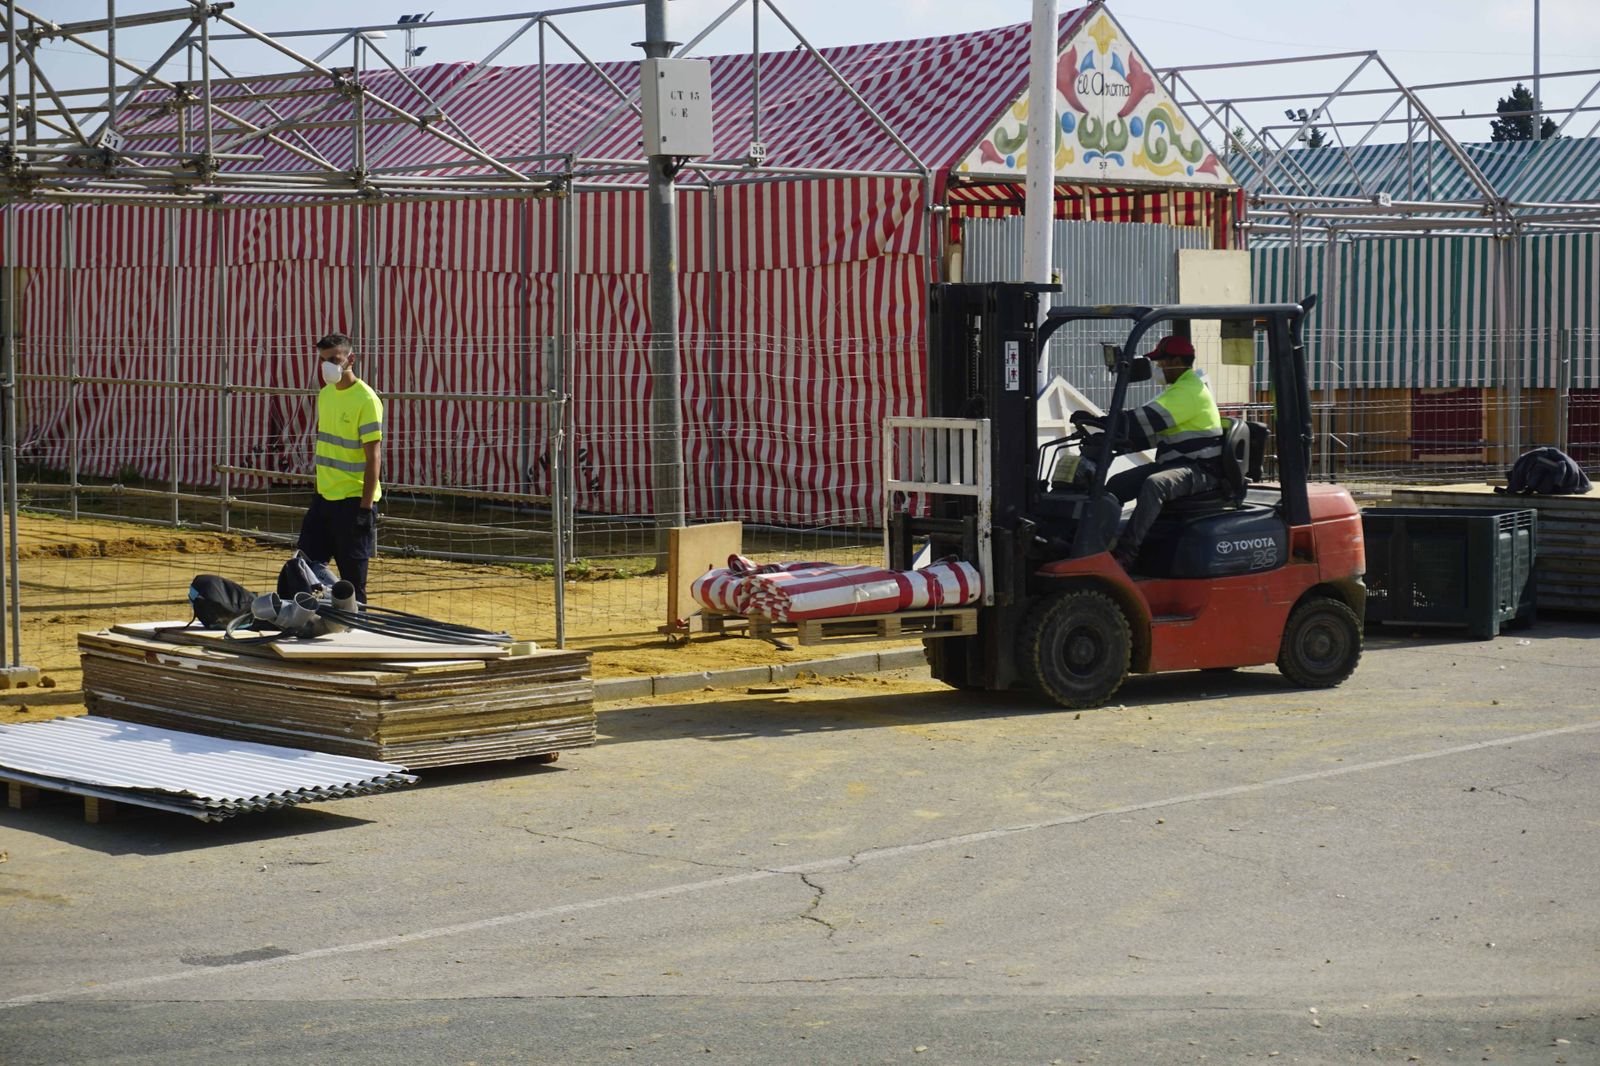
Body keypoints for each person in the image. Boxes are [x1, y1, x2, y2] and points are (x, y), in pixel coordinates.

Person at [1071, 335, 1223, 569]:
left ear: (1178, 361)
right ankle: (1098, 543)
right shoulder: (1179, 390)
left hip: (1200, 470)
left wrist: (1104, 422)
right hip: (1176, 464)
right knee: (1118, 483)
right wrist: (1111, 440)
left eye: (1162, 361)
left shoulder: (1189, 391)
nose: (1159, 367)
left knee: (1155, 484)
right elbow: (1150, 434)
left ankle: (1126, 553)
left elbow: (1144, 421)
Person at [298, 333, 383, 603]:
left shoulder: (366, 400)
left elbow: (374, 458)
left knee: (353, 582)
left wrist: (365, 509)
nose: (328, 367)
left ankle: (357, 627)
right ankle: (320, 618)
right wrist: (319, 491)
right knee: (305, 565)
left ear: (351, 359)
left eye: (334, 360)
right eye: (323, 361)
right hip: (324, 499)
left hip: (352, 503)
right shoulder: (325, 395)